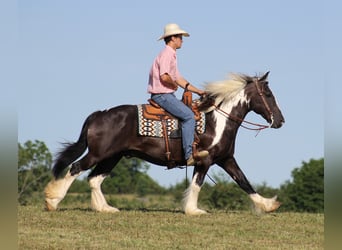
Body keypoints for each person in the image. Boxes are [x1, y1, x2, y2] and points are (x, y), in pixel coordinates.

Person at [147, 23, 209, 166]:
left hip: (166, 95)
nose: (182, 40)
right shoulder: (167, 53)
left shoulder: (171, 54)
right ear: (172, 38)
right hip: (162, 95)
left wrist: (198, 91)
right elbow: (165, 76)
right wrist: (173, 85)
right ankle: (188, 156)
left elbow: (179, 78)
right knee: (188, 116)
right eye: (180, 37)